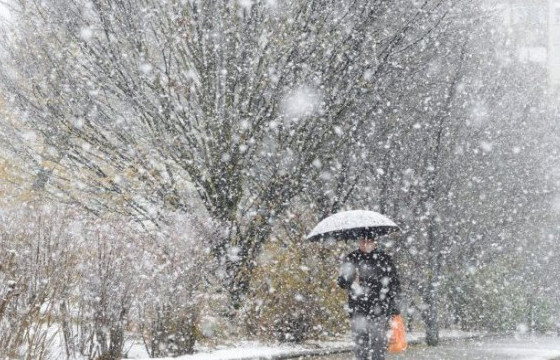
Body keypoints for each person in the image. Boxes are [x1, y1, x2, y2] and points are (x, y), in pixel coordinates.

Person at [337, 234, 401, 360]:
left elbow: (394, 283)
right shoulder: (352, 258)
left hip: (380, 307)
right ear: (359, 242)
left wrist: (393, 306)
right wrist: (349, 278)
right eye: (363, 241)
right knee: (360, 344)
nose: (365, 244)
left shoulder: (384, 258)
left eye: (369, 241)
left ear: (375, 242)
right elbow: (342, 282)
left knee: (379, 342)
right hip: (358, 307)